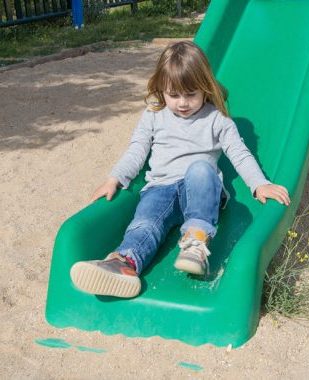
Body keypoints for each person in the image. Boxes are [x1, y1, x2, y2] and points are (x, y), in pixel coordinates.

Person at [70, 41, 290, 298]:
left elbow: (239, 154)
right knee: (145, 223)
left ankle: (196, 242)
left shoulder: (217, 120)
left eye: (191, 94)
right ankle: (124, 263)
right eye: (173, 95)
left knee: (200, 169)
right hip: (160, 189)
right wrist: (115, 178)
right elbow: (137, 149)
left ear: (205, 88)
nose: (182, 103)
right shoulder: (154, 113)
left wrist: (258, 183)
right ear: (161, 89)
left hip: (199, 192)